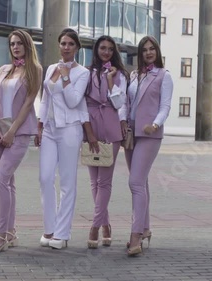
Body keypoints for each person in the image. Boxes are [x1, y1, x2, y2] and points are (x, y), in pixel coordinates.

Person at [0, 29, 43, 254]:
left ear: (27, 45)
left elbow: (28, 104)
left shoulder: (35, 69)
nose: (15, 47)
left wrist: (11, 132)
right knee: (8, 182)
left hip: (19, 130)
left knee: (0, 179)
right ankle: (11, 232)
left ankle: (0, 236)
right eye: (12, 44)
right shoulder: (4, 69)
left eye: (19, 43)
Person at [35, 28, 90, 249]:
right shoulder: (50, 68)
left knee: (67, 182)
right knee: (45, 178)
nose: (66, 47)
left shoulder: (82, 73)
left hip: (70, 129)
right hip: (49, 129)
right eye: (63, 43)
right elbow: (45, 99)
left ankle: (62, 233)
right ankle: (49, 228)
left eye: (70, 44)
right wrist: (39, 125)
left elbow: (74, 101)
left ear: (76, 48)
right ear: (59, 45)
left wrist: (66, 76)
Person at [124, 35, 173, 256]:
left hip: (150, 134)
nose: (148, 52)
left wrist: (155, 124)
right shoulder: (134, 75)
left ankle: (135, 236)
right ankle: (145, 228)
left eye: (152, 49)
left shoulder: (164, 76)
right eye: (144, 50)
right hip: (131, 134)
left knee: (134, 182)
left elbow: (165, 106)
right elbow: (127, 102)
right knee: (141, 183)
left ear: (158, 51)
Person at [82, 35, 129, 249]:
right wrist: (88, 132)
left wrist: (111, 82)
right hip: (91, 124)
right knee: (94, 181)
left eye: (110, 49)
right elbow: (81, 102)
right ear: (96, 49)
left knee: (104, 181)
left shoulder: (120, 75)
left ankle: (94, 226)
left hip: (111, 124)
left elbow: (120, 102)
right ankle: (106, 224)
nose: (106, 52)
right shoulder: (87, 73)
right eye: (103, 48)